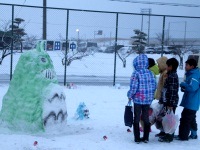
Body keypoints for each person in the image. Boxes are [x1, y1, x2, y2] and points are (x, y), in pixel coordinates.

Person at [127, 54, 156, 144]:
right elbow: (154, 86)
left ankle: (137, 138)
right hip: (147, 99)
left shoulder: (136, 73)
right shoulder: (150, 73)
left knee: (136, 117)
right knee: (146, 117)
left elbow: (134, 87)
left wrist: (130, 95)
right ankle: (146, 137)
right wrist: (151, 96)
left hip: (138, 100)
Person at [175, 58, 200, 141]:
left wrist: (183, 84)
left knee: (185, 119)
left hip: (191, 101)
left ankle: (183, 136)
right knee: (191, 118)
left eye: (187, 65)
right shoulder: (193, 74)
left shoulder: (194, 75)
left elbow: (193, 87)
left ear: (192, 66)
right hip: (192, 102)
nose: (185, 67)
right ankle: (194, 134)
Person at [157, 58, 179, 143]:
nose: (166, 67)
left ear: (171, 66)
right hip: (167, 101)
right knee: (165, 118)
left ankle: (169, 136)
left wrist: (170, 103)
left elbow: (173, 91)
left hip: (171, 102)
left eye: (167, 65)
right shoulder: (170, 75)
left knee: (170, 120)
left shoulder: (172, 76)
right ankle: (165, 133)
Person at [140, 58, 159, 132]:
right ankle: (146, 126)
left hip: (147, 95)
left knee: (144, 111)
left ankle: (145, 127)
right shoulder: (153, 71)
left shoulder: (149, 72)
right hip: (151, 94)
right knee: (147, 110)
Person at [154, 56, 168, 137]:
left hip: (164, 99)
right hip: (162, 98)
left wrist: (163, 98)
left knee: (164, 116)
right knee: (161, 116)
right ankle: (162, 131)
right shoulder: (163, 73)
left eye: (159, 64)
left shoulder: (165, 73)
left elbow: (165, 87)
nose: (158, 66)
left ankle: (165, 132)